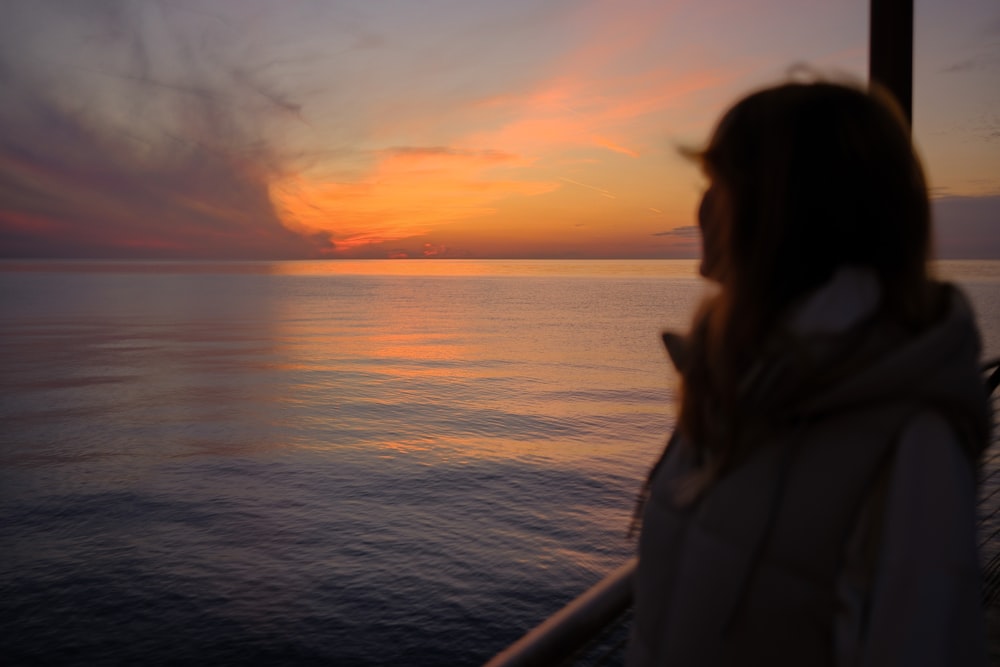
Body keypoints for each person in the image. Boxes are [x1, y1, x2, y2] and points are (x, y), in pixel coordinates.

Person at [626, 79, 992, 666]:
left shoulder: (911, 444)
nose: (700, 207)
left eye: (722, 184)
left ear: (792, 211)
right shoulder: (736, 383)